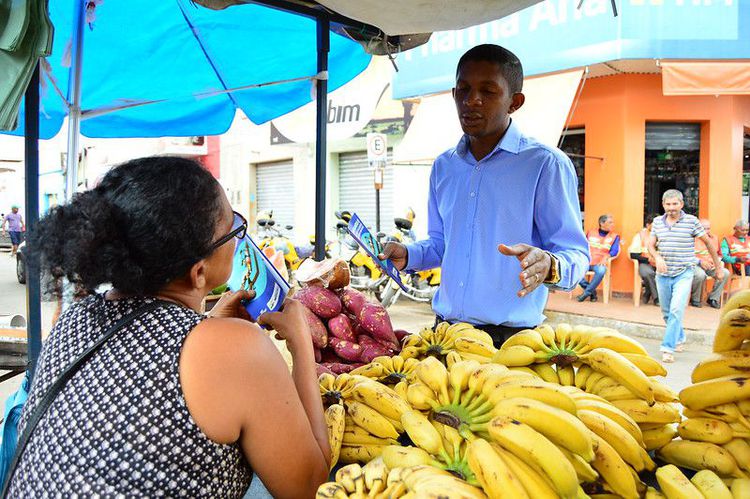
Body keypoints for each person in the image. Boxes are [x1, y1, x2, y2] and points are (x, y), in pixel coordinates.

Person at [7, 157, 330, 497]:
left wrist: (207, 326)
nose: (238, 238)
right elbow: (311, 487)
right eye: (233, 228)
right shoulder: (237, 349)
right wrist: (301, 344)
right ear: (199, 272)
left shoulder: (76, 317)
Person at [379, 44, 589, 348]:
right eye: (463, 89)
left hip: (510, 343)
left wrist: (550, 265)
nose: (471, 100)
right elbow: (441, 244)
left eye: (488, 91)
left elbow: (576, 254)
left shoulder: (544, 164)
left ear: (514, 102)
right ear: (453, 94)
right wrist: (409, 255)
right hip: (445, 335)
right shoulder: (444, 167)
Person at [648, 190, 725, 363]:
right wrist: (657, 257)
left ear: (682, 204)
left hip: (684, 272)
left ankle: (667, 348)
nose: (671, 208)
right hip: (663, 274)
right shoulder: (657, 222)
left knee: (676, 310)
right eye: (668, 204)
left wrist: (718, 268)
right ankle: (680, 337)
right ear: (663, 204)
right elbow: (650, 245)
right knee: (667, 313)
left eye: (675, 204)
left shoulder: (691, 221)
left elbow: (709, 244)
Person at [577, 214, 620, 302]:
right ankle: (592, 293)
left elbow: (614, 251)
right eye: (610, 222)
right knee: (574, 270)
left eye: (613, 222)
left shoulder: (615, 236)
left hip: (600, 262)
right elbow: (583, 246)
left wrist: (606, 257)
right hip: (587, 261)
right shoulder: (590, 232)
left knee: (601, 271)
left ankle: (586, 293)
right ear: (602, 223)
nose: (613, 224)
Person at [691, 218, 728, 309]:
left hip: (711, 266)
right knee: (700, 275)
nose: (706, 231)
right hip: (695, 265)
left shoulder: (714, 238)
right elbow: (686, 256)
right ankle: (695, 299)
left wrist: (717, 262)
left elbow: (719, 254)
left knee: (725, 273)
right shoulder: (691, 238)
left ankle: (713, 298)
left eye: (708, 228)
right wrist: (700, 262)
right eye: (704, 229)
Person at [628, 214, 659, 305]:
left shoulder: (664, 235)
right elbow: (633, 254)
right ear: (648, 225)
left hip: (660, 263)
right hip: (645, 262)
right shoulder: (640, 236)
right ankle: (657, 298)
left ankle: (647, 292)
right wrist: (648, 259)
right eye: (655, 225)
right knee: (648, 273)